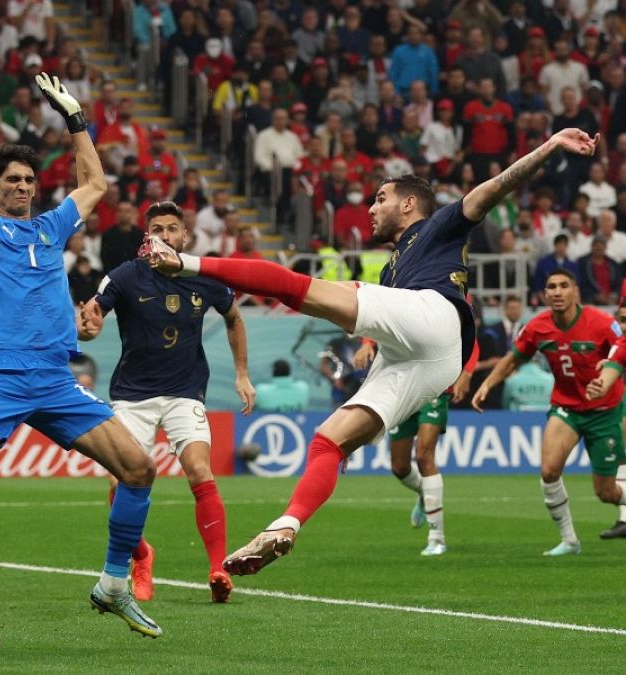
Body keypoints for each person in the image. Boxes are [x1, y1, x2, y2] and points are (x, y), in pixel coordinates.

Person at [140, 127, 600, 576]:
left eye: (380, 199)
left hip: (436, 320)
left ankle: (188, 264)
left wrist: (550, 146)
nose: (371, 209)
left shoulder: (439, 223)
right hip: (427, 360)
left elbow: (495, 187)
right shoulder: (393, 269)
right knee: (328, 440)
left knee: (297, 285)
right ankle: (287, 523)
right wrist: (369, 344)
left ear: (409, 203)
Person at [0, 50, 162, 639]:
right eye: (12, 181)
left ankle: (114, 585)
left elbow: (94, 182)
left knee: (139, 468)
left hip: (55, 379)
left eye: (29, 181)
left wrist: (76, 120)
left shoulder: (53, 226)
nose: (23, 187)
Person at [79, 200, 255, 603]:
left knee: (199, 470)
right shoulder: (125, 276)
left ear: (184, 235)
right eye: (156, 229)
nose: (165, 235)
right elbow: (93, 320)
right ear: (147, 237)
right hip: (132, 396)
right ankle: (141, 555)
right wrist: (87, 329)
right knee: (119, 481)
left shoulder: (203, 274)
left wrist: (242, 374)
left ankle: (217, 569)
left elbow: (234, 317)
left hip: (184, 392)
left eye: (172, 228)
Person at [472, 269, 626, 555]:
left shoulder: (603, 324)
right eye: (551, 287)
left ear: (575, 291)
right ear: (544, 294)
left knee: (606, 493)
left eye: (563, 286)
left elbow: (620, 354)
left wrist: (606, 381)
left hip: (604, 411)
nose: (557, 292)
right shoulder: (537, 328)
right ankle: (569, 540)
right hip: (566, 407)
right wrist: (488, 385)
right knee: (549, 471)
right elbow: (512, 359)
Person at [353, 321, 479, 556]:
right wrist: (367, 343)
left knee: (424, 455)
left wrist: (467, 373)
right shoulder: (396, 289)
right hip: (401, 386)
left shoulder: (443, 290)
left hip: (434, 384)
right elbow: (380, 321)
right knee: (399, 466)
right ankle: (424, 492)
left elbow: (471, 338)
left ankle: (437, 538)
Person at [585, 302, 626, 539]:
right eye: (622, 320)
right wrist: (601, 382)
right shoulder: (620, 345)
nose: (625, 326)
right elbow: (612, 368)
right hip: (619, 399)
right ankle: (624, 518)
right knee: (622, 452)